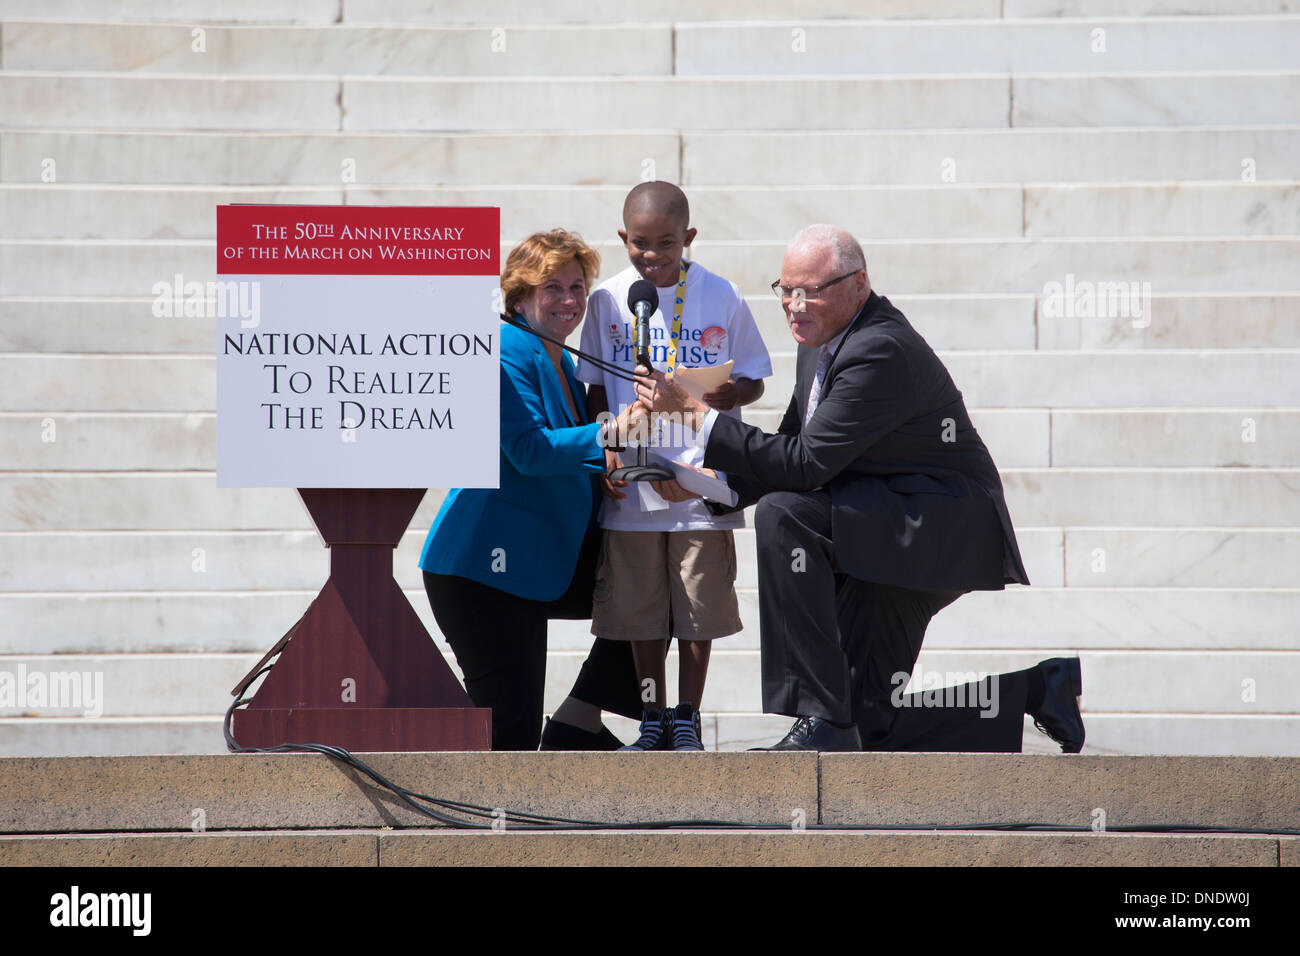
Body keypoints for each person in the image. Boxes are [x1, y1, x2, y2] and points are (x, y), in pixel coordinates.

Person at [632, 224, 1085, 753]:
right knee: (869, 727)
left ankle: (819, 715)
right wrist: (714, 486)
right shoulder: (820, 338)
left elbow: (806, 466)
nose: (795, 306)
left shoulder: (879, 349)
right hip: (880, 524)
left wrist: (698, 419)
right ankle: (1037, 689)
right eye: (786, 290)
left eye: (812, 290)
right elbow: (793, 444)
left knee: (786, 514)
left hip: (932, 527)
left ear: (859, 284)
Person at [418, 228, 648, 751]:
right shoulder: (503, 349)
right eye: (553, 288)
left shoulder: (562, 358)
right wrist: (612, 432)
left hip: (539, 558)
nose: (569, 300)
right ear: (519, 296)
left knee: (651, 582)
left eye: (577, 286)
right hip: (484, 571)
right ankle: (492, 829)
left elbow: (566, 451)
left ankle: (577, 723)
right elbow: (529, 449)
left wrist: (605, 467)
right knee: (510, 736)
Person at [577, 181, 773, 751]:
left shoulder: (722, 294)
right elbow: (593, 389)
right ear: (623, 238)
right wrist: (606, 452)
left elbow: (756, 377)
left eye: (666, 243)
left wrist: (724, 395)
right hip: (632, 484)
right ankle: (652, 716)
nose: (653, 256)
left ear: (688, 238)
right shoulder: (607, 301)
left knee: (698, 607)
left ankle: (687, 713)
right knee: (637, 613)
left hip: (698, 483)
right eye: (640, 243)